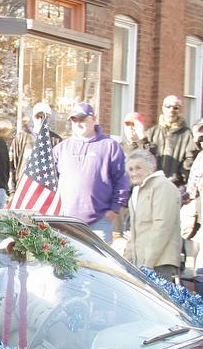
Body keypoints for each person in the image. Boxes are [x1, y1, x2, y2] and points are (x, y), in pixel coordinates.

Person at [53, 102, 130, 243]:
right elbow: (50, 182)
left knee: (99, 265)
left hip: (99, 222)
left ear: (93, 119)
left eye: (82, 119)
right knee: (67, 263)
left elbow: (121, 179)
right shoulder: (61, 149)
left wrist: (115, 209)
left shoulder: (109, 146)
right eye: (74, 120)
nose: (78, 123)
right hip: (67, 222)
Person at [123, 150, 181, 280]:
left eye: (138, 168)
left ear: (151, 167)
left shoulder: (162, 186)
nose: (134, 173)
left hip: (159, 262)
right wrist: (126, 259)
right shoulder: (137, 190)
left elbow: (162, 225)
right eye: (130, 169)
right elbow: (136, 231)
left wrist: (148, 263)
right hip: (142, 263)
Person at [143, 95, 197, 186]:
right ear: (163, 108)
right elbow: (144, 156)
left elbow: (190, 159)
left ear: (179, 110)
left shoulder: (187, 134)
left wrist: (179, 177)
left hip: (175, 185)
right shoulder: (152, 132)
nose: (171, 110)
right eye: (168, 106)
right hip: (153, 184)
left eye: (175, 107)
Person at [10, 102, 61, 194]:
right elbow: (12, 164)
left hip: (47, 190)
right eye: (38, 116)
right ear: (33, 117)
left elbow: (60, 169)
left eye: (44, 116)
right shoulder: (22, 137)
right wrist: (12, 191)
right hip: (24, 188)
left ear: (49, 118)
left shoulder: (56, 140)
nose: (41, 119)